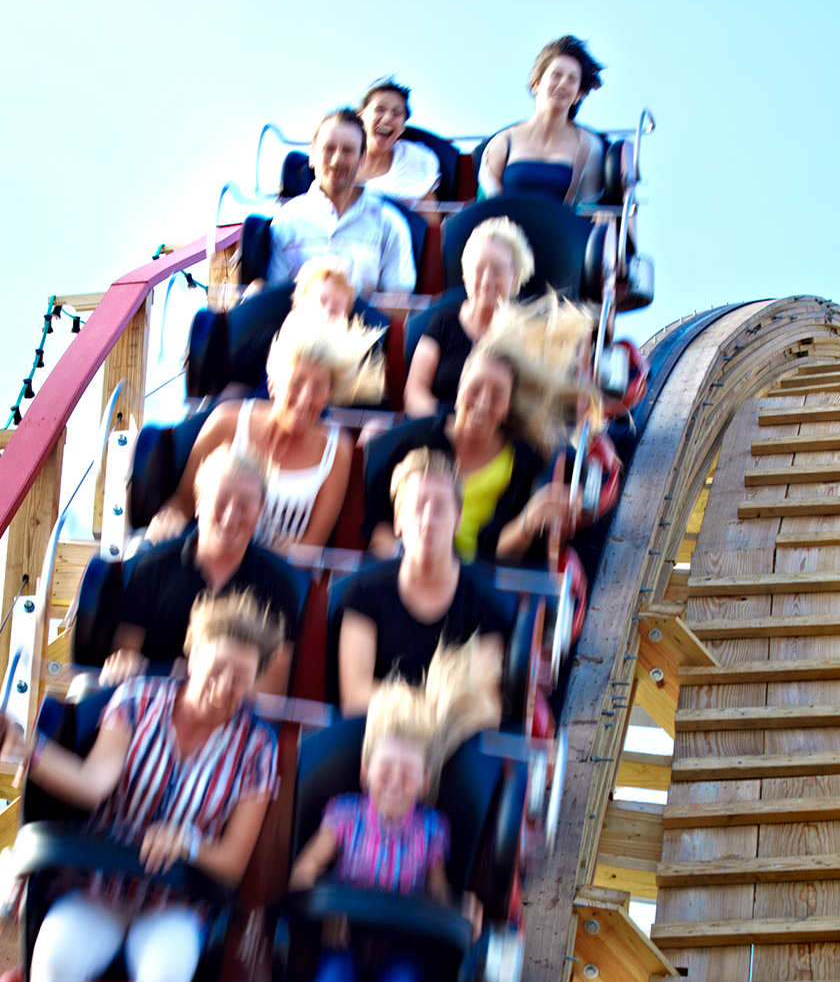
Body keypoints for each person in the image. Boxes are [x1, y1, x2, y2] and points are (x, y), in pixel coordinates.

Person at [0, 590, 284, 982]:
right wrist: (26, 749)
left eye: (242, 674)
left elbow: (232, 862)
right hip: (98, 888)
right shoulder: (137, 699)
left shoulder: (258, 746)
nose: (226, 684)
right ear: (194, 655)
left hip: (174, 904)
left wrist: (188, 844)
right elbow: (92, 783)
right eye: (217, 666)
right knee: (56, 963)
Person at [290, 642, 494, 982]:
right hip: (345, 933)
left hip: (404, 942)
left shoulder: (432, 829)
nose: (396, 782)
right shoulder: (344, 814)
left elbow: (436, 891)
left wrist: (462, 909)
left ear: (424, 782)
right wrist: (321, 907)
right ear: (367, 772)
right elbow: (306, 868)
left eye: (407, 773)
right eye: (386, 769)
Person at [365, 296, 592, 562]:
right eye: (475, 388)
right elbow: (376, 525)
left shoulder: (524, 460)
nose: (483, 403)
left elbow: (500, 554)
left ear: (508, 405)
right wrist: (407, 557)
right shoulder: (416, 441)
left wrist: (529, 520)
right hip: (409, 574)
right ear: (460, 389)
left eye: (497, 395)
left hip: (475, 588)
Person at [148, 311, 383, 551]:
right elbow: (182, 505)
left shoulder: (337, 451)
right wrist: (167, 521)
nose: (305, 399)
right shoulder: (226, 422)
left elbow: (310, 548)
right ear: (273, 384)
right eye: (297, 383)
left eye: (318, 387)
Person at [103, 447, 301, 696]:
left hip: (233, 716)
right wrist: (126, 666)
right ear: (198, 503)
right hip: (153, 703)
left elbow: (270, 689)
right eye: (221, 500)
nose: (230, 517)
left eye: (244, 504)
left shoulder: (279, 585)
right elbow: (124, 656)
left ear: (261, 510)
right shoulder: (154, 567)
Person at [336, 449, 510, 715]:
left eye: (440, 508)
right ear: (398, 521)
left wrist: (401, 702)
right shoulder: (363, 592)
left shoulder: (486, 603)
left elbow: (484, 709)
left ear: (458, 519)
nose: (428, 521)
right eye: (418, 507)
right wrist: (439, 706)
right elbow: (356, 697)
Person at [267, 109, 417, 298]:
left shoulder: (390, 222)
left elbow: (399, 301)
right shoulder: (287, 220)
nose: (337, 160)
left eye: (348, 151)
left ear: (362, 159)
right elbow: (276, 297)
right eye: (328, 149)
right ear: (312, 155)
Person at [403, 218, 534, 417]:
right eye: (479, 269)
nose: (487, 281)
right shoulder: (443, 323)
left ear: (514, 277)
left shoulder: (529, 332)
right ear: (466, 274)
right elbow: (414, 392)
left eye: (497, 271)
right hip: (442, 432)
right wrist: (450, 424)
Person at [478, 36, 606, 207]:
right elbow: (484, 207)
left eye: (572, 79)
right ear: (536, 83)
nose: (562, 84)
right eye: (556, 75)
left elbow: (587, 209)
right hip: (505, 230)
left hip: (560, 231)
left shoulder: (590, 146)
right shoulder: (503, 141)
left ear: (578, 94)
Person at [356, 78, 440, 203]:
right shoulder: (337, 156)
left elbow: (432, 220)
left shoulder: (414, 161)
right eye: (380, 109)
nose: (387, 118)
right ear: (361, 116)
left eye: (396, 113)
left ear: (402, 128)